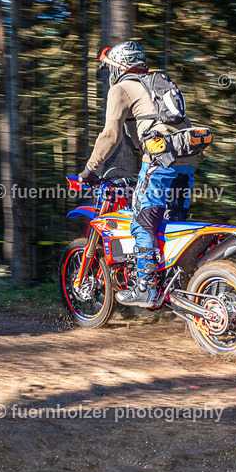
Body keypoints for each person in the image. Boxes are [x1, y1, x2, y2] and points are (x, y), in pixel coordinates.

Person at [77, 41, 196, 308]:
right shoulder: (155, 83)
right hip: (186, 162)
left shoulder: (121, 88)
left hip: (159, 162)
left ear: (119, 66)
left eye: (110, 67)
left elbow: (110, 136)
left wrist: (89, 170)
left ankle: (146, 289)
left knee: (142, 223)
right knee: (169, 226)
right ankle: (177, 286)